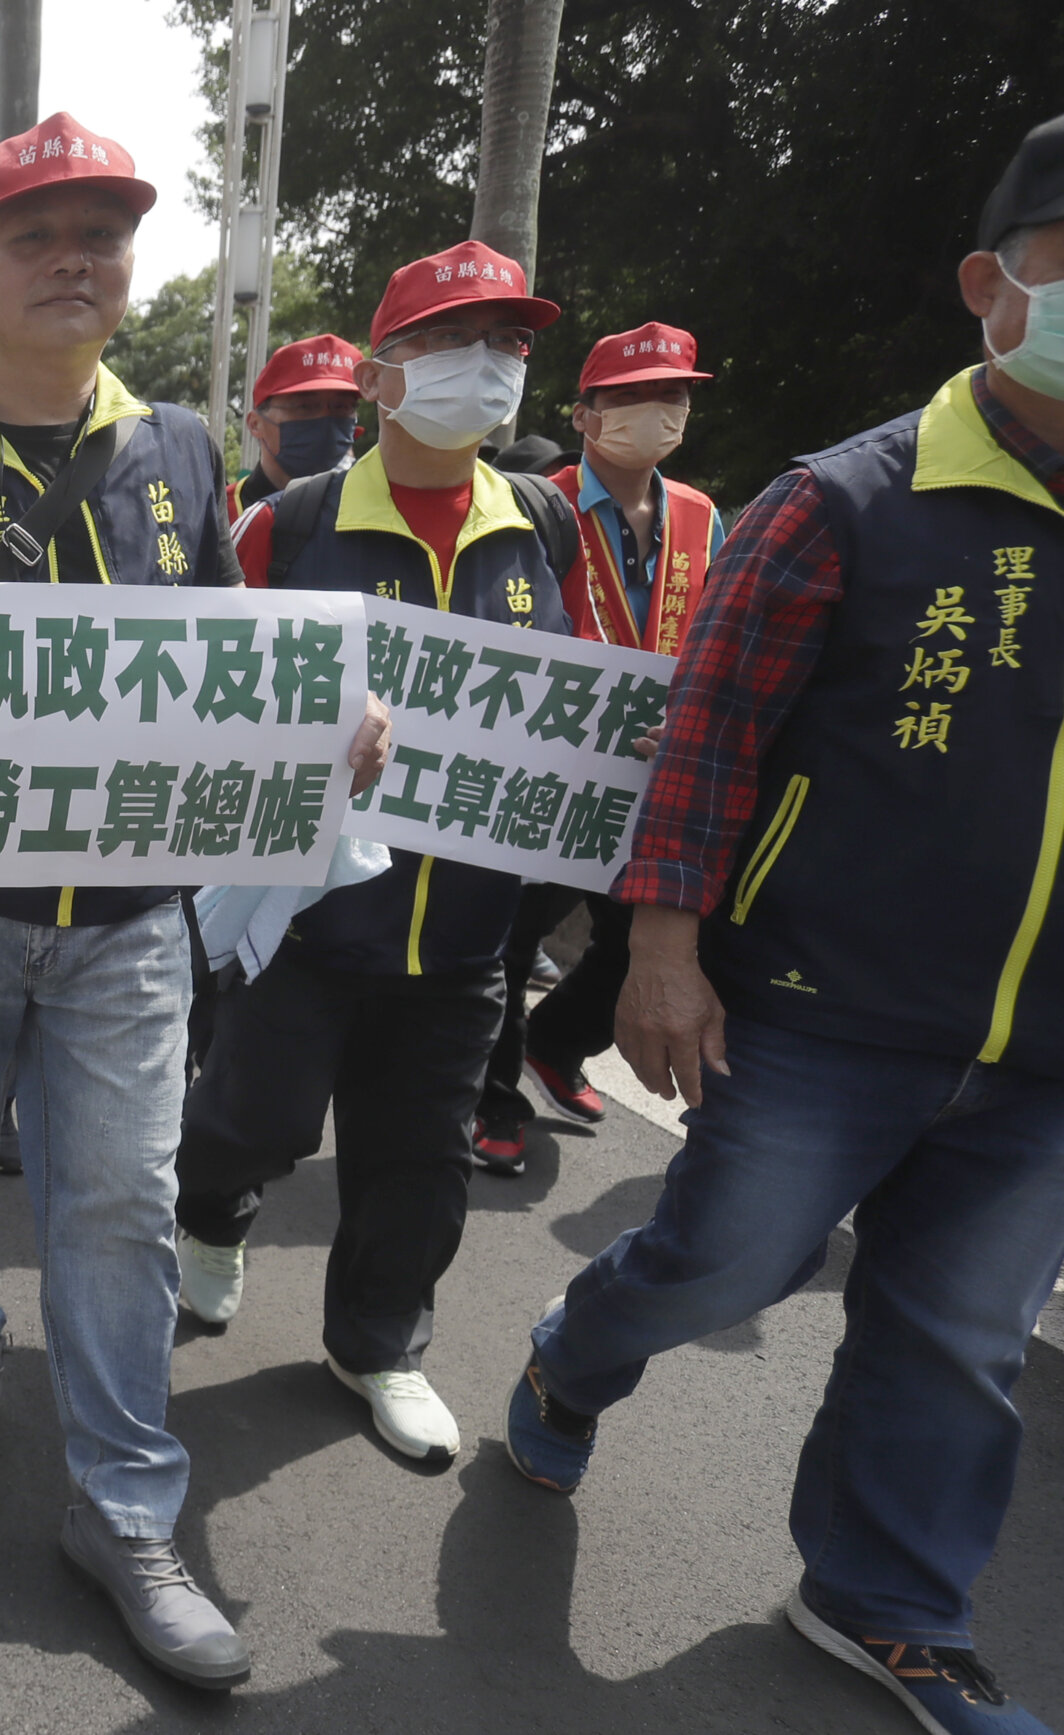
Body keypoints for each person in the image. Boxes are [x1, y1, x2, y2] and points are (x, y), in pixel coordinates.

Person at [0, 114, 373, 1690]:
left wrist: (323, 725)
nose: (72, 258)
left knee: (117, 1196)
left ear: (129, 270)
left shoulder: (179, 448)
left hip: (124, 913)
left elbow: (238, 657)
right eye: (36, 234)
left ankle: (124, 1506)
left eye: (100, 233)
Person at [504, 117, 1064, 1735]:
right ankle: (571, 1356)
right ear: (990, 284)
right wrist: (663, 951)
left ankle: (886, 1602)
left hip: (1039, 1053)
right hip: (821, 1011)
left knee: (959, 1339)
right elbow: (703, 742)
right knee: (719, 1268)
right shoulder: (843, 502)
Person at [177, 240, 574, 1462]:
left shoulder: (543, 524)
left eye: (509, 344)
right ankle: (209, 1215)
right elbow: (195, 698)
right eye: (456, 343)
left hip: (464, 931)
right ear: (384, 371)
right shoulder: (290, 527)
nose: (490, 368)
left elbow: (574, 701)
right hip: (301, 918)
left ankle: (377, 1345)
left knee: (421, 1161)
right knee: (257, 1118)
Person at [473, 324, 726, 1171]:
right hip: (549, 762)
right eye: (631, 396)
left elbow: (714, 636)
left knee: (633, 932)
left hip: (651, 767)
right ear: (584, 414)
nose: (658, 409)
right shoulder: (535, 502)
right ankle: (492, 1095)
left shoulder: (700, 514)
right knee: (512, 936)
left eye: (675, 394)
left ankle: (558, 1042)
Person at [228, 333, 364, 521]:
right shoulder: (218, 516)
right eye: (305, 407)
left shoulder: (374, 512)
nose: (326, 421)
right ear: (255, 424)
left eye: (341, 407)